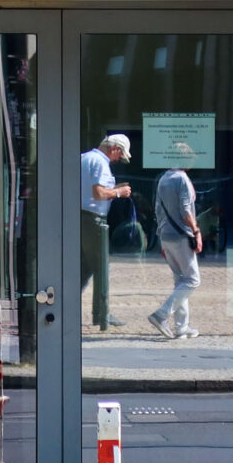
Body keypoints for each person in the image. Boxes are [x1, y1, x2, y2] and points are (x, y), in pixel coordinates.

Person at [150, 142, 202, 339]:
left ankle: (182, 327)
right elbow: (186, 210)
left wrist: (160, 238)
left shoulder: (163, 178)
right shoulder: (182, 179)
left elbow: (158, 210)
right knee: (193, 280)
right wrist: (196, 231)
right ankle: (162, 314)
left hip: (166, 234)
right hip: (181, 235)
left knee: (181, 280)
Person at [81, 134, 132, 330]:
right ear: (115, 149)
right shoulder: (101, 162)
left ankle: (66, 307)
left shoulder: (84, 158)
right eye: (120, 155)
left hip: (79, 216)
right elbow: (98, 193)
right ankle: (102, 315)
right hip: (93, 219)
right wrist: (119, 192)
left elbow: (89, 190)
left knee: (84, 268)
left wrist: (114, 188)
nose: (118, 159)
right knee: (101, 267)